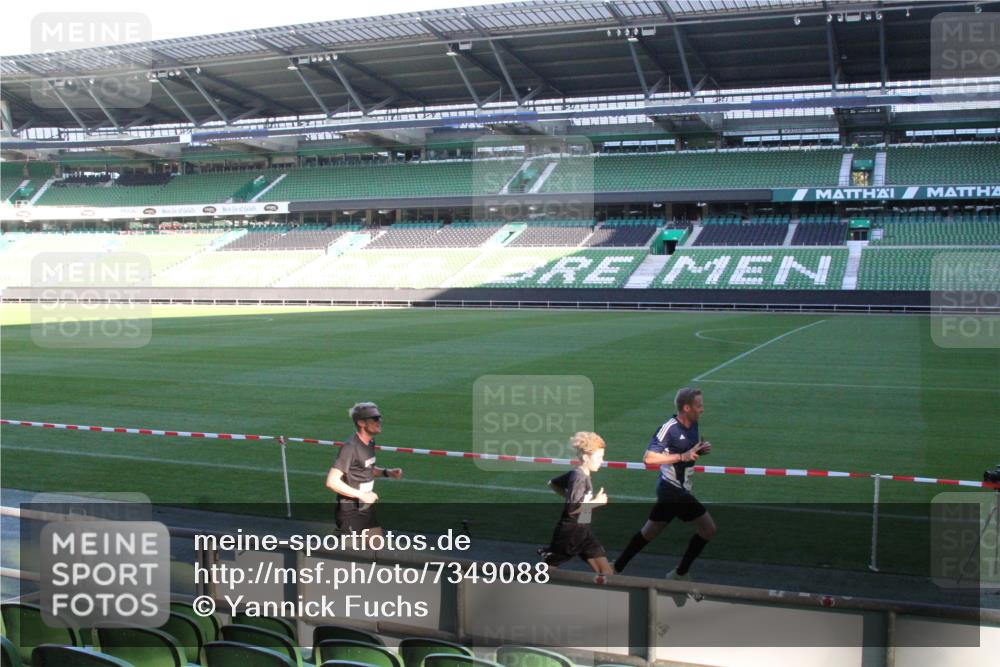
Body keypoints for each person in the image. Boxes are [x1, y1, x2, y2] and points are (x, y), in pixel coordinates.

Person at [613, 387, 717, 580]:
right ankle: (680, 573)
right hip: (672, 490)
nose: (702, 409)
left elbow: (685, 452)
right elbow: (648, 458)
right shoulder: (669, 428)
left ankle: (616, 568)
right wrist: (682, 456)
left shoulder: (693, 424)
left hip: (677, 489)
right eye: (699, 405)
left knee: (649, 533)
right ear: (686, 408)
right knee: (708, 529)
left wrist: (697, 451)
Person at [539, 431, 614, 576]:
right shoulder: (579, 478)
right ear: (586, 457)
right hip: (569, 533)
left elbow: (553, 483)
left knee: (606, 573)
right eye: (599, 457)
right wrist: (596, 502)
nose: (602, 461)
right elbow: (572, 510)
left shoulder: (580, 473)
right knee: (545, 574)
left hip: (583, 531)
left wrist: (572, 497)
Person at [325, 402, 402, 541]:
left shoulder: (369, 442)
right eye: (375, 418)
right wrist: (362, 495)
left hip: (365, 506)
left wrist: (387, 472)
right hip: (350, 510)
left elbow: (366, 470)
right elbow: (332, 482)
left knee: (376, 545)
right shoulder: (350, 447)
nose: (380, 421)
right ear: (361, 423)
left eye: (380, 417)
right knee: (347, 556)